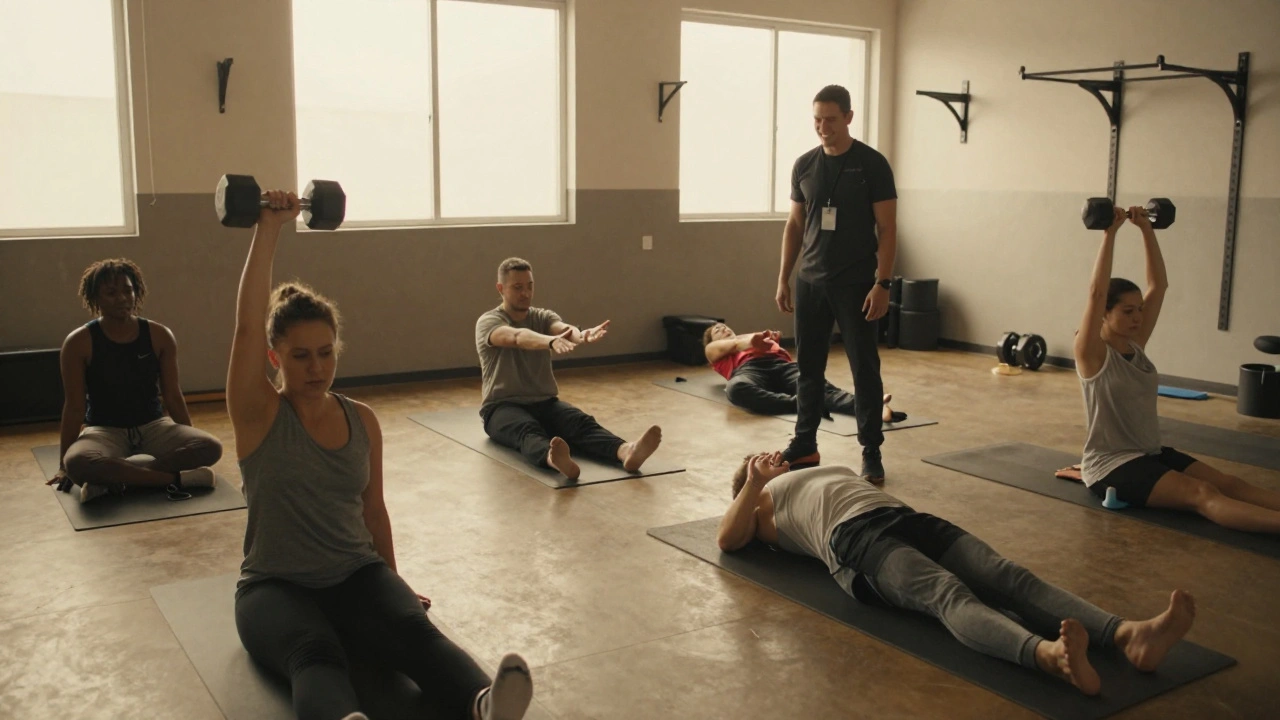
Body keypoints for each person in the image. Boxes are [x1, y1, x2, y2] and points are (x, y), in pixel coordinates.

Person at [228, 191, 533, 720]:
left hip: (356, 574)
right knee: (315, 656)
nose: (315, 367)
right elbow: (246, 328)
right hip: (274, 587)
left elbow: (373, 512)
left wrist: (392, 585)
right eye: (299, 356)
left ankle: (485, 707)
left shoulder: (361, 420)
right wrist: (269, 228)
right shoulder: (259, 415)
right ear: (274, 357)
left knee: (415, 634)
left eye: (325, 353)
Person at [717, 453, 1197, 695]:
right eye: (755, 458)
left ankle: (1128, 635)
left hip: (905, 516)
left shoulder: (819, 469)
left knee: (1010, 578)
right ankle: (1048, 656)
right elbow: (727, 540)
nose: (768, 454)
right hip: (855, 542)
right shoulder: (761, 505)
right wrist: (753, 479)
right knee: (949, 595)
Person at [1074, 205, 1280, 532]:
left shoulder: (1136, 344)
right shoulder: (1092, 354)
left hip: (1149, 452)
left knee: (1230, 483)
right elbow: (1097, 292)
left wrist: (1146, 229)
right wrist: (1110, 234)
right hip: (1111, 465)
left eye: (1139, 310)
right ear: (1104, 315)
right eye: (1127, 312)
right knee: (1202, 494)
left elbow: (1160, 285)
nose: (1137, 318)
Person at [776, 84, 897, 479]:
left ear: (848, 117)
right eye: (816, 120)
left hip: (857, 284)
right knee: (808, 368)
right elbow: (795, 225)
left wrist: (883, 284)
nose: (822, 127)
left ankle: (871, 450)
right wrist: (784, 278)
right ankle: (805, 443)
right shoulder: (804, 165)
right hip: (811, 282)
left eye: (830, 119)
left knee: (865, 368)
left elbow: (888, 228)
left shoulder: (872, 165)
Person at [47, 258, 222, 502]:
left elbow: (172, 395)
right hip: (104, 430)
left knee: (211, 447)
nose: (122, 298)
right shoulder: (78, 342)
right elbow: (74, 406)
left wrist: (187, 436)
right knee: (77, 462)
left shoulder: (159, 335)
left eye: (127, 290)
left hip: (154, 425)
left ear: (136, 292)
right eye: (111, 293)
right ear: (96, 299)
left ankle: (115, 480)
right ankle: (175, 479)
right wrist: (64, 464)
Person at [475, 257, 661, 481]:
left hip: (544, 402)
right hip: (501, 407)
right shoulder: (489, 322)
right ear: (500, 288)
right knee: (526, 431)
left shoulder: (542, 316)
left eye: (529, 286)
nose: (525, 293)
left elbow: (562, 329)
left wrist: (581, 335)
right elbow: (517, 337)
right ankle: (555, 460)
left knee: (580, 423)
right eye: (517, 287)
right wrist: (550, 342)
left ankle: (626, 452)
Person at [701, 323, 904, 424]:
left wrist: (770, 338)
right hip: (749, 370)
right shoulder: (714, 350)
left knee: (818, 386)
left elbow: (768, 345)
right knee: (736, 389)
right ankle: (803, 404)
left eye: (724, 326)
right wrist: (752, 341)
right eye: (717, 330)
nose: (723, 328)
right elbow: (736, 344)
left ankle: (873, 406)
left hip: (782, 366)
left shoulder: (753, 335)